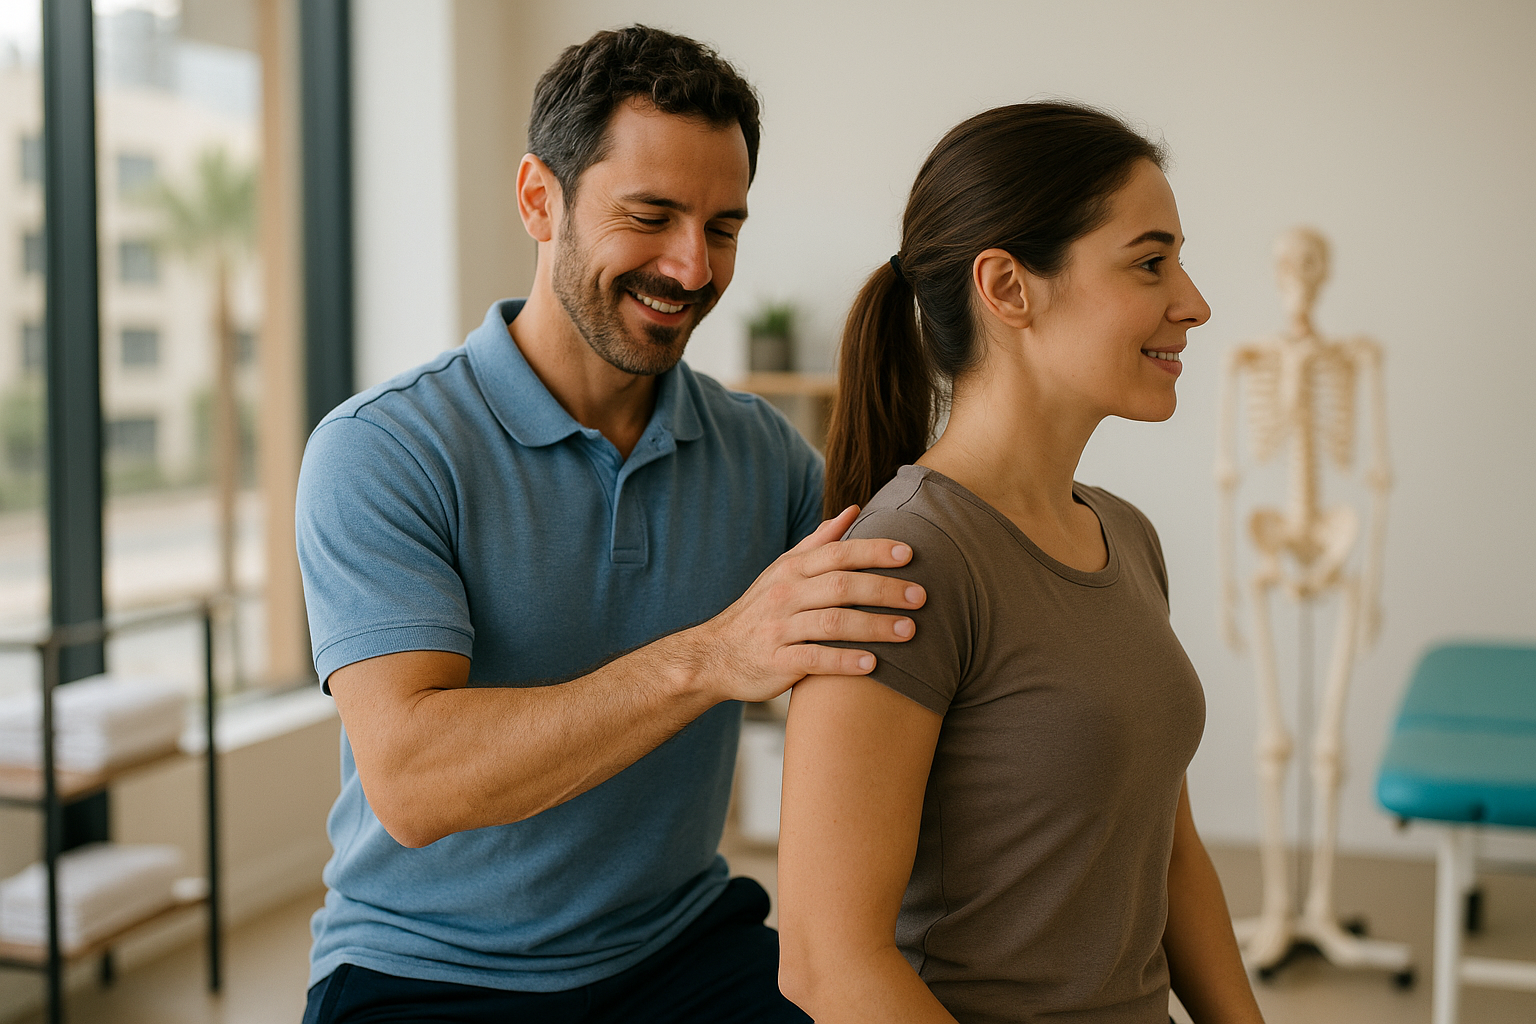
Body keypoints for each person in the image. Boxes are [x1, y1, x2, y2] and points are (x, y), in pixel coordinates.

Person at [294, 26, 924, 1024]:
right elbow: (414, 780)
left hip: (679, 945)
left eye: (722, 227)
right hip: (427, 972)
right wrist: (712, 657)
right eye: (651, 215)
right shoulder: (382, 449)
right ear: (540, 199)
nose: (691, 267)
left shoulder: (764, 456)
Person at [776, 103, 1266, 1024]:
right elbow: (826, 963)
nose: (1193, 301)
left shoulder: (1127, 536)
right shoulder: (906, 560)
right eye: (1150, 262)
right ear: (1008, 287)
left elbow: (1168, 849)